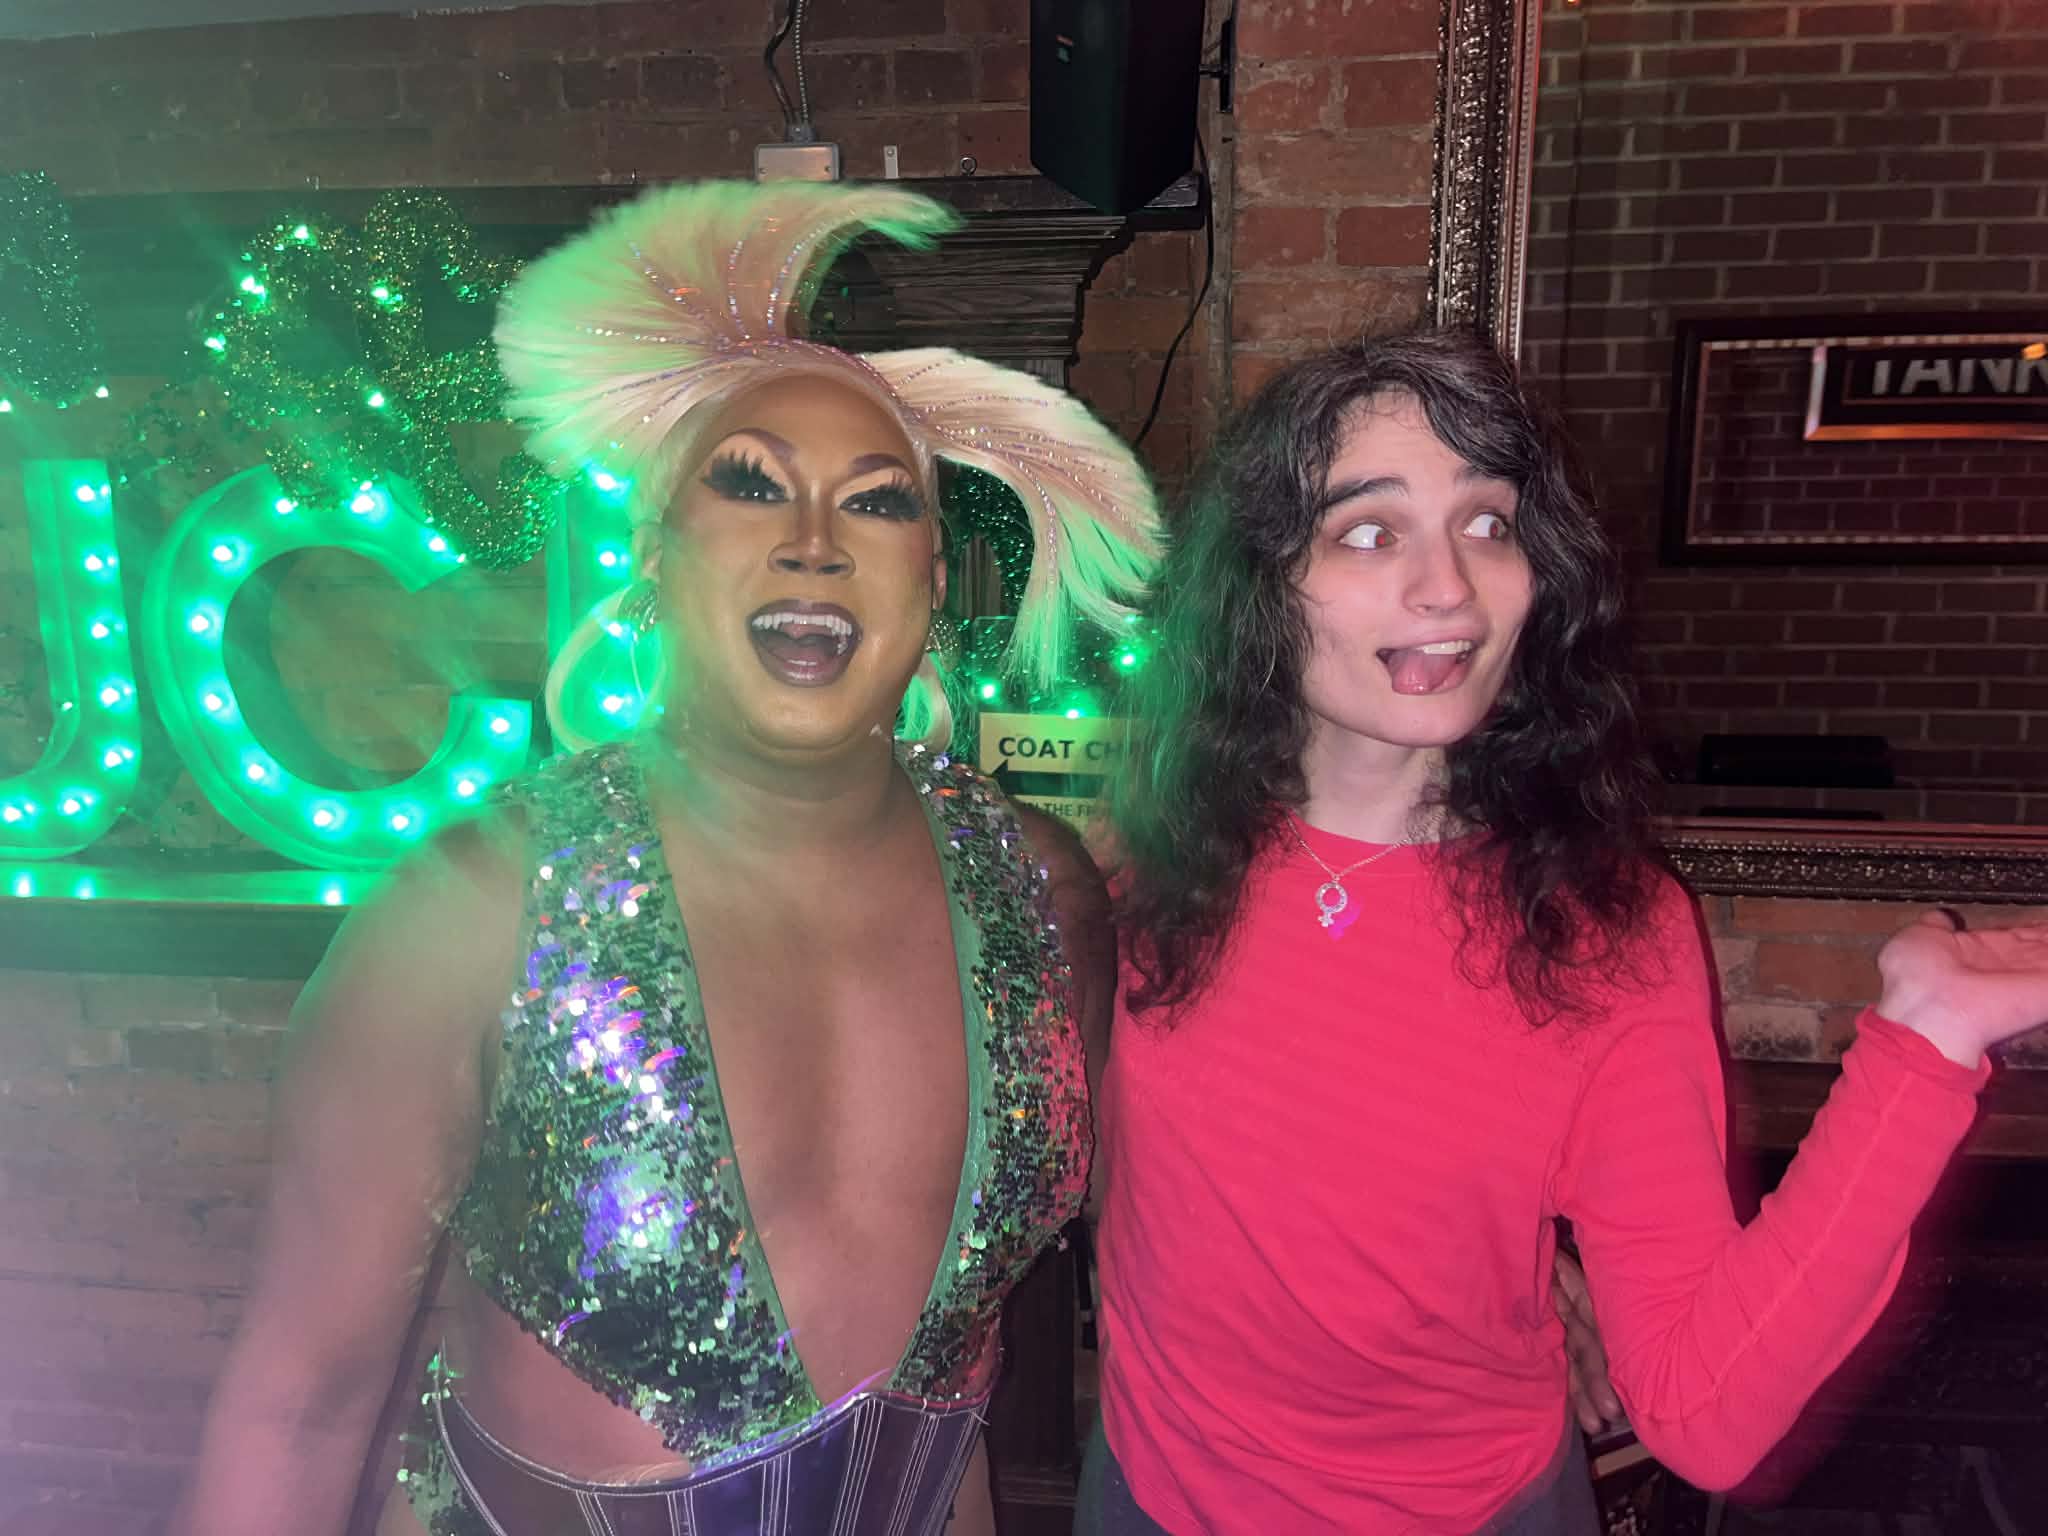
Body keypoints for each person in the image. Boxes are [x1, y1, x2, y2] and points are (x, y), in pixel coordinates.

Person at [170, 181, 1158, 1536]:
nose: (813, 543)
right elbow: (298, 1406)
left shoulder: (1039, 897)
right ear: (652, 558)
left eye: (876, 504)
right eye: (749, 484)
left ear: (933, 583)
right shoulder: (476, 908)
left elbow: (961, 1389)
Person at [1085, 330, 2048, 1534]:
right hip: (1145, 1492)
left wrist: (1926, 1041)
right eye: (1368, 531)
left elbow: (1703, 1413)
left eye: (1487, 523)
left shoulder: (1603, 929)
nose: (1448, 587)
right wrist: (1529, 1262)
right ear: (1258, 583)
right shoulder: (1150, 858)